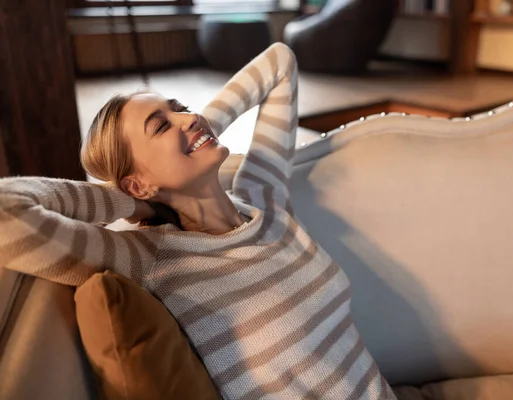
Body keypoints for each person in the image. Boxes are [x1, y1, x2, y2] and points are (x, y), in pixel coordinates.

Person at [0, 43, 396, 399]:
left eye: (180, 108)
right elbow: (7, 212)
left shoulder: (263, 197)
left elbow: (279, 64)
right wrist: (128, 201)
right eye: (160, 125)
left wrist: (198, 132)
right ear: (136, 182)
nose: (186, 118)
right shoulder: (152, 259)